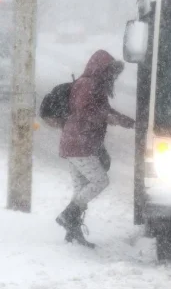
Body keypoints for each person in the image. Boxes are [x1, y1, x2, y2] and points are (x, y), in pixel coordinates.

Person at [56, 49, 135, 248]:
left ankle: (72, 231)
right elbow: (87, 111)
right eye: (109, 72)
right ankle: (68, 215)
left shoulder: (95, 86)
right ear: (100, 70)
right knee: (100, 181)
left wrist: (126, 121)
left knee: (81, 188)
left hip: (75, 142)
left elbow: (104, 110)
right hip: (78, 143)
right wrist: (109, 118)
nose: (112, 77)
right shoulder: (88, 85)